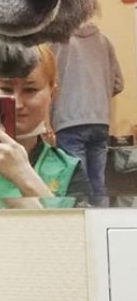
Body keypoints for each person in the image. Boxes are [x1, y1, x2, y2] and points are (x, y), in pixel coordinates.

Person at [0, 44, 91, 205]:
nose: (17, 103)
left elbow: (73, 230)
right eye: (6, 89)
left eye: (30, 90)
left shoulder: (68, 169)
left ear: (52, 93)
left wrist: (23, 176)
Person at [50, 22, 123, 201]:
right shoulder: (105, 42)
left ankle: (82, 227)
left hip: (68, 121)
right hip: (100, 122)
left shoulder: (55, 42)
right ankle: (101, 224)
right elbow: (118, 84)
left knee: (77, 187)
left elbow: (45, 80)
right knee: (99, 183)